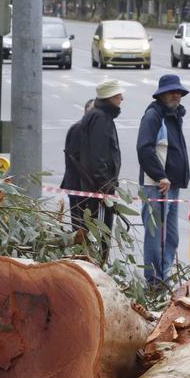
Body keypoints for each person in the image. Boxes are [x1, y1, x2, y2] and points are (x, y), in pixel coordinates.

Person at [136, 74, 190, 288]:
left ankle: (164, 275)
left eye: (179, 92)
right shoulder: (154, 116)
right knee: (155, 237)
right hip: (157, 186)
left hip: (172, 187)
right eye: (172, 92)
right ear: (161, 95)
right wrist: (160, 175)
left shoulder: (174, 116)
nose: (176, 95)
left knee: (171, 237)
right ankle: (154, 280)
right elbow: (144, 148)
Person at [70, 79, 124, 260]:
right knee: (100, 234)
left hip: (95, 188)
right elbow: (99, 157)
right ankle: (98, 267)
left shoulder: (99, 116)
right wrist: (106, 188)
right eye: (118, 95)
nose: (121, 98)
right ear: (110, 97)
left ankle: (94, 264)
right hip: (98, 191)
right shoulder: (100, 118)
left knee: (94, 234)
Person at [61, 98, 96, 233]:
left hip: (87, 187)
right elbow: (75, 161)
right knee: (80, 228)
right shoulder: (78, 129)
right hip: (78, 187)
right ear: (86, 111)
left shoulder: (93, 129)